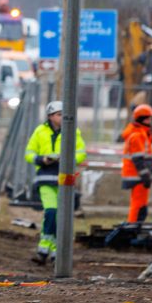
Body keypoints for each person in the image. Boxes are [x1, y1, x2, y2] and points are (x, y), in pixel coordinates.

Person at [24, 100, 87, 264]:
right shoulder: (40, 131)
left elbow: (81, 153)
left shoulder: (73, 131)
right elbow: (29, 153)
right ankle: (45, 248)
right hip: (45, 177)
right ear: (51, 116)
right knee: (51, 212)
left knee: (61, 216)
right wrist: (41, 159)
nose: (63, 117)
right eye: (59, 115)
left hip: (64, 179)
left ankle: (53, 251)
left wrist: (67, 159)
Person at [121, 104, 152, 222]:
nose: (150, 121)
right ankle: (132, 228)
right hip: (137, 176)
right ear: (141, 119)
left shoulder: (142, 133)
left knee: (141, 205)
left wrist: (151, 171)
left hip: (138, 175)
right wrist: (145, 175)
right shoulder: (137, 135)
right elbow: (138, 159)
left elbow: (145, 157)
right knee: (138, 206)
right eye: (147, 118)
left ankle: (135, 226)